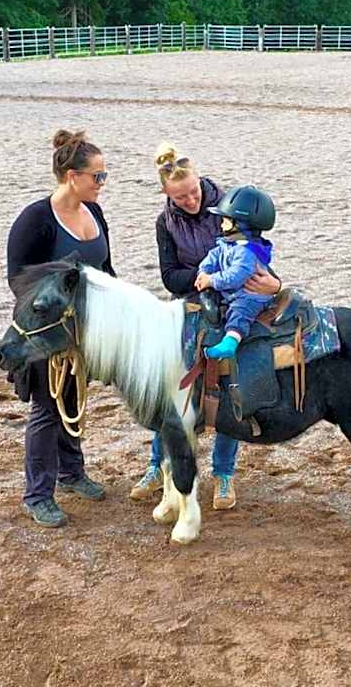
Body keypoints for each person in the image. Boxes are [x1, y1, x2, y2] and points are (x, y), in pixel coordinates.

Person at [128, 145, 281, 510]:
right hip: (191, 299)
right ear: (167, 195)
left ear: (202, 182)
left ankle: (224, 474)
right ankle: (157, 464)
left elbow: (257, 260)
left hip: (231, 297)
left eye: (194, 191)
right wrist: (203, 277)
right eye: (180, 197)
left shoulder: (229, 210)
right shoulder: (166, 223)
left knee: (232, 384)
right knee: (169, 387)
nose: (190, 200)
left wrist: (270, 286)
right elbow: (169, 276)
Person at [6, 129, 115, 528]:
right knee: (47, 408)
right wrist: (60, 309)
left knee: (72, 399)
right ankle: (38, 494)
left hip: (83, 328)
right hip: (47, 330)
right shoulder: (36, 220)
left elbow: (105, 269)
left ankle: (72, 473)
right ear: (72, 176)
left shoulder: (95, 213)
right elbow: (18, 280)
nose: (103, 184)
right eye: (97, 177)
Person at [195, 185, 276, 359]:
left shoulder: (246, 252)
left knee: (241, 311)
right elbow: (212, 257)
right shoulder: (228, 243)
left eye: (225, 220)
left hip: (250, 295)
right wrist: (203, 272)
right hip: (231, 294)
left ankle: (231, 341)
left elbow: (235, 277)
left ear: (240, 224)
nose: (221, 224)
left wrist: (211, 280)